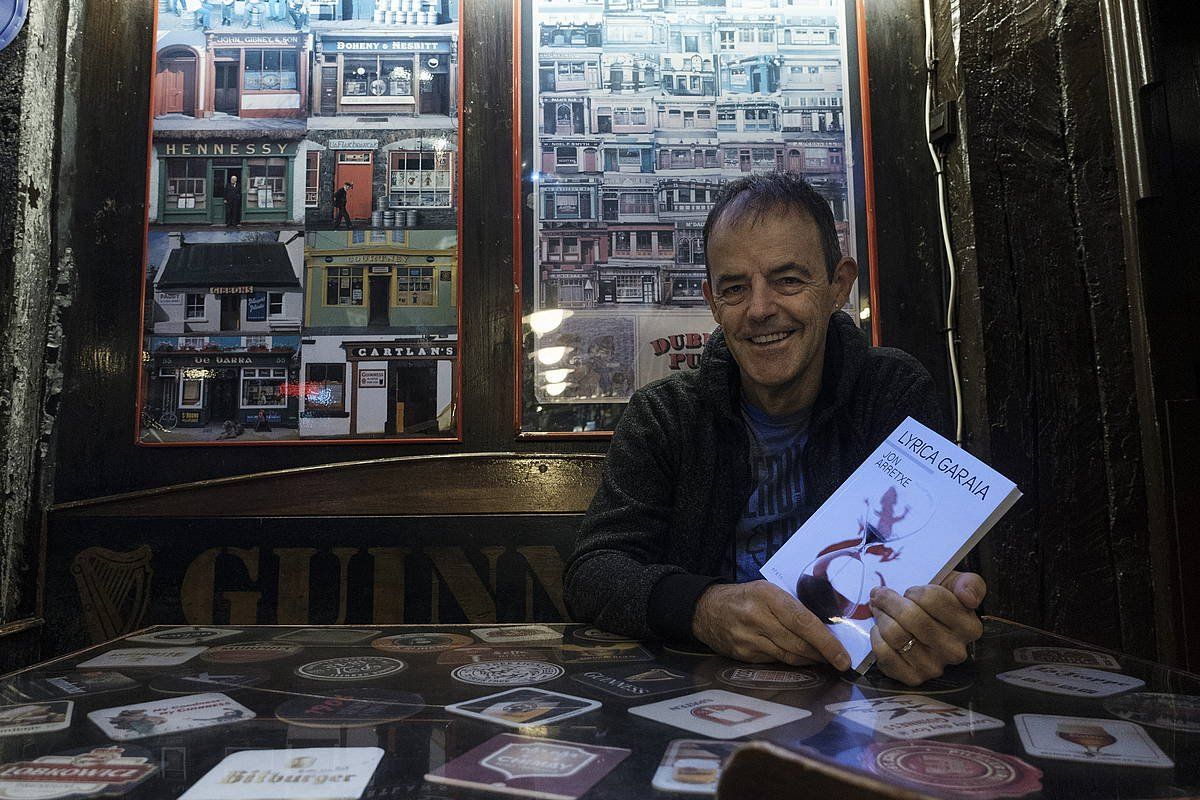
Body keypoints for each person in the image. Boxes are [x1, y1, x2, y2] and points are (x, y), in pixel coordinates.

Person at [564, 172, 986, 686]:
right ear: (713, 301)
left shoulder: (891, 392)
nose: (760, 309)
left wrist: (930, 622)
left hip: (856, 692)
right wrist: (704, 608)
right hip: (702, 695)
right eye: (736, 288)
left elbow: (938, 569)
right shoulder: (665, 414)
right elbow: (592, 573)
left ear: (839, 285)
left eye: (788, 280)